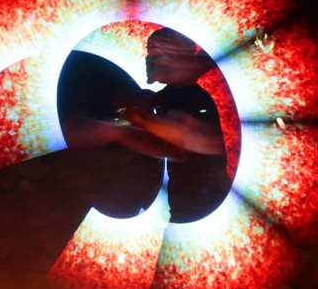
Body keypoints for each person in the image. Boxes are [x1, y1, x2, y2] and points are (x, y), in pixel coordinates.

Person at [59, 28, 231, 222]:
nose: (149, 60)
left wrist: (135, 121)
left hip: (202, 200)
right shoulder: (164, 97)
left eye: (157, 52)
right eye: (149, 53)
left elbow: (183, 138)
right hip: (184, 201)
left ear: (182, 57)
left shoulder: (195, 99)